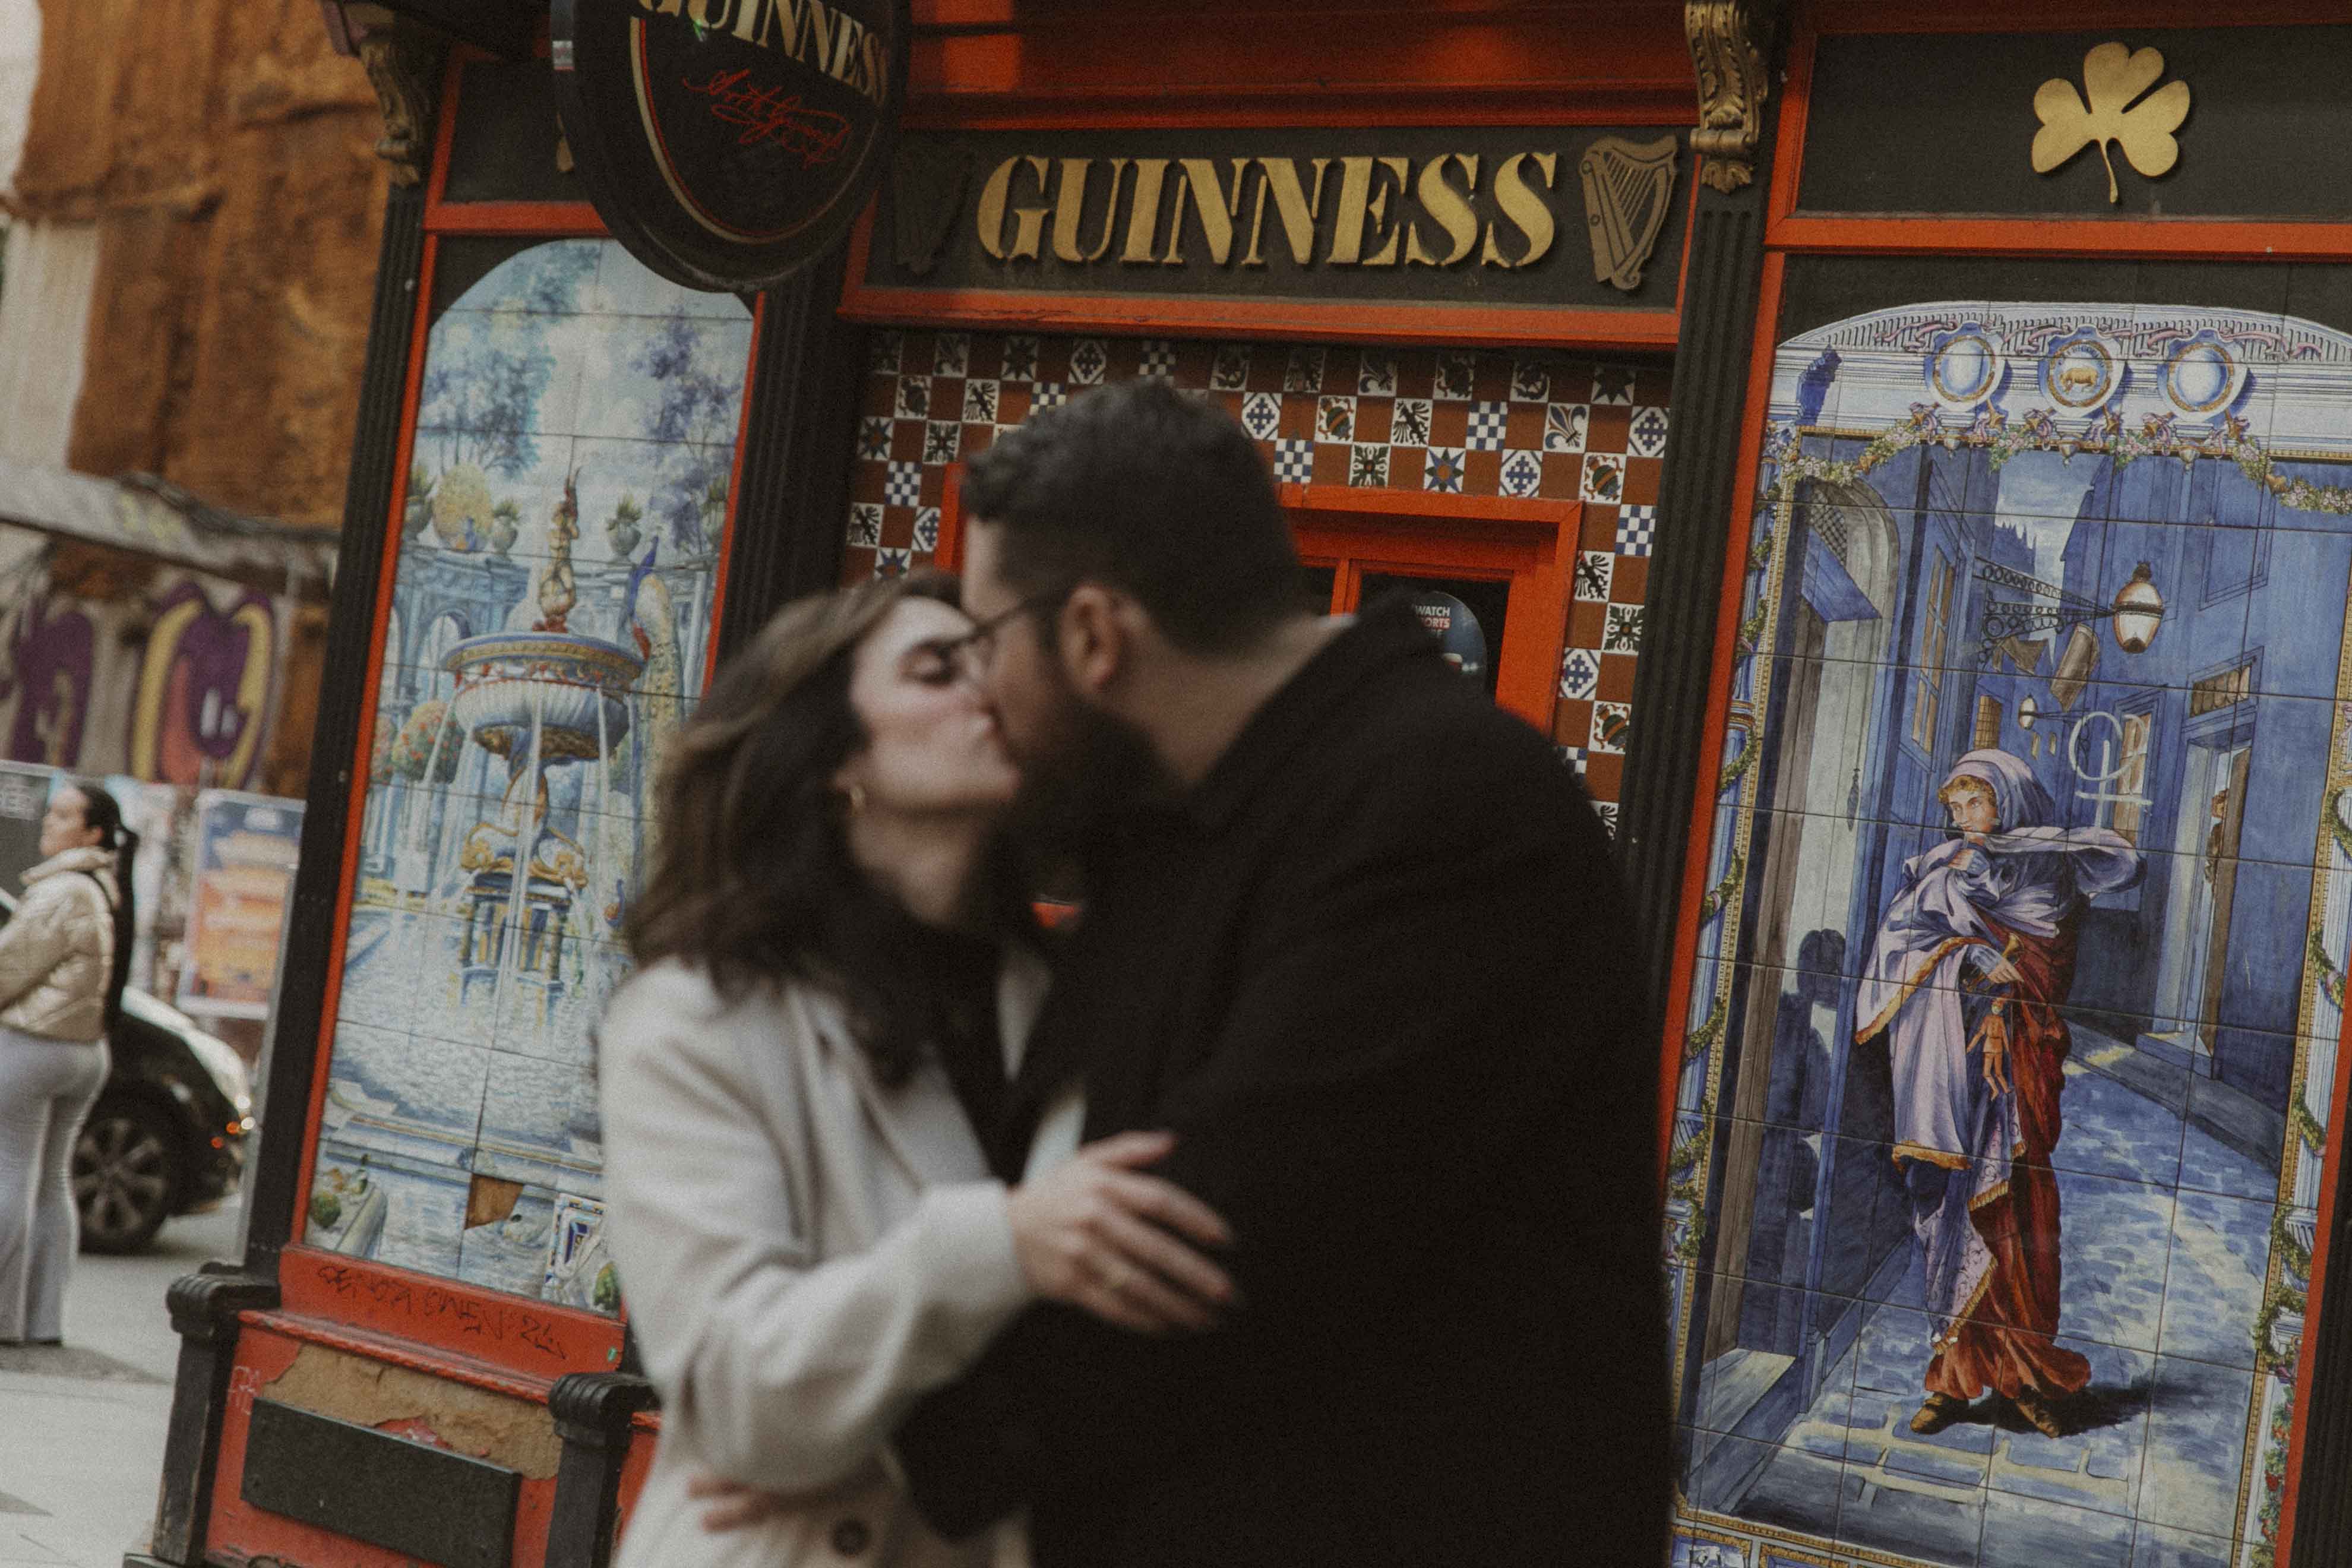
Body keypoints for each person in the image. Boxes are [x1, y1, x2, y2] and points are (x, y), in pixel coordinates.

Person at [887, 380, 1671, 1567]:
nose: (981, 699)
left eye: (987, 644)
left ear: (1096, 636)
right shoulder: (1164, 828)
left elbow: (1204, 1257)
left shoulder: (1445, 803)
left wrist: (854, 1446)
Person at [597, 573, 1237, 1568]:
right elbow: (736, 1396)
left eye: (993, 662)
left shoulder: (1074, 998)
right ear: (835, 754)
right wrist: (1004, 1243)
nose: (988, 692)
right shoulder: (696, 1023)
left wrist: (876, 1446)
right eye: (939, 669)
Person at [1855, 748, 2141, 1440]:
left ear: (2008, 803)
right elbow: (1897, 949)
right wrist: (1962, 957)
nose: (1965, 819)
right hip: (1953, 1069)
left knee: (2019, 1210)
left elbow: (2049, 979)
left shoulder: (2049, 881)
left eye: (1976, 804)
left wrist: (2008, 982)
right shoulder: (1943, 873)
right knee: (1952, 1209)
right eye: (1955, 808)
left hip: (2018, 1068)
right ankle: (1953, 1379)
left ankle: (2028, 1378)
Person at [0, 779, 137, 1346]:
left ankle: (3, 1320)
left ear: (93, 832)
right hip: (87, 1051)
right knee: (52, 1180)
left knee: (9, 1168)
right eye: (51, 814)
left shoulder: (62, 892)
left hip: (35, 1047)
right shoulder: (105, 886)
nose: (49, 825)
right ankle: (42, 1320)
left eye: (63, 816)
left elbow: (10, 968)